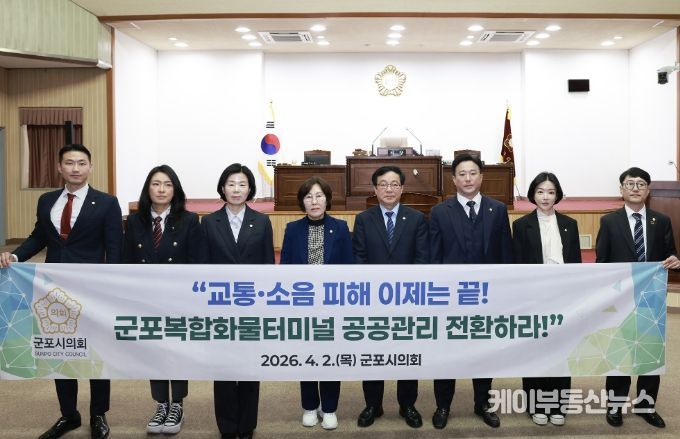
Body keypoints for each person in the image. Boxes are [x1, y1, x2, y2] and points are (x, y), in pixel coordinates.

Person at [0, 144, 122, 439]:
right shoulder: (47, 201)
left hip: (92, 291)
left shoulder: (107, 203)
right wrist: (15, 256)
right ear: (59, 167)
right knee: (60, 350)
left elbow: (115, 248)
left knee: (94, 350)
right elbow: (38, 237)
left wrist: (112, 289)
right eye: (69, 163)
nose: (75, 168)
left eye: (81, 163)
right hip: (53, 290)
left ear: (90, 167)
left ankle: (98, 414)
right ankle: (69, 414)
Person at [429, 153, 513, 430]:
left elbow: (505, 254)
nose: (468, 179)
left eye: (472, 173)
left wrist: (504, 293)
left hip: (487, 298)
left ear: (481, 177)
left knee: (484, 353)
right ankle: (443, 405)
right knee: (447, 354)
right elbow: (434, 258)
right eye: (462, 174)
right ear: (453, 179)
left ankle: (483, 404)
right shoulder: (440, 212)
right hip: (450, 298)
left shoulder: (497, 209)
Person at [123, 164, 206, 434]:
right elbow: (127, 261)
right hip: (146, 300)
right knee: (154, 351)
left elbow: (196, 261)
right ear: (148, 188)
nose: (161, 189)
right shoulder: (134, 222)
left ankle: (177, 404)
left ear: (175, 190)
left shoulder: (189, 220)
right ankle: (161, 404)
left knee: (176, 351)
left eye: (168, 184)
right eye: (156, 184)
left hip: (178, 300)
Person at [596, 166, 680, 429]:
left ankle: (646, 406)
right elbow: (602, 263)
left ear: (648, 190)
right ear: (621, 189)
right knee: (620, 352)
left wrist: (675, 260)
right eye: (630, 183)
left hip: (652, 299)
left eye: (641, 184)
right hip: (620, 299)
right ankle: (615, 406)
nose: (635, 188)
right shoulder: (609, 222)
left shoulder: (661, 221)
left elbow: (671, 253)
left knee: (649, 353)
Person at [352, 165, 429, 429]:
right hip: (373, 301)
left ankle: (407, 404)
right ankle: (373, 404)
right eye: (383, 184)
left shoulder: (416, 218)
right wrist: (372, 291)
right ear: (375, 189)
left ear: (402, 188)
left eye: (394, 184)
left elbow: (422, 259)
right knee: (373, 354)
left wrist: (408, 292)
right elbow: (359, 258)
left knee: (406, 354)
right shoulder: (364, 219)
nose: (389, 189)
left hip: (407, 300)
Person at [202, 163, 275, 439]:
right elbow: (203, 267)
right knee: (223, 368)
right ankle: (227, 425)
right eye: (231, 184)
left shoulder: (262, 222)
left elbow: (267, 266)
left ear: (250, 189)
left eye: (242, 184)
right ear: (223, 187)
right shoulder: (209, 222)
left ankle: (246, 425)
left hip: (251, 307)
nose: (236, 189)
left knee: (248, 367)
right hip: (219, 307)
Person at [280, 176, 353, 431]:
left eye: (319, 196)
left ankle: (330, 407)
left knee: (331, 357)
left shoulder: (340, 228)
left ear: (327, 199)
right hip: (303, 305)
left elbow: (349, 268)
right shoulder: (292, 229)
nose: (314, 201)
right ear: (302, 201)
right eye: (309, 196)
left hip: (333, 305)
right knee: (307, 356)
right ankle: (310, 406)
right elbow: (285, 267)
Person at [512, 172, 581, 427]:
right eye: (540, 191)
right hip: (534, 299)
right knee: (535, 352)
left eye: (551, 192)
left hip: (563, 298)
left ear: (557, 195)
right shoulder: (521, 225)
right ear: (533, 194)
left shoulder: (570, 224)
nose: (545, 197)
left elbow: (575, 263)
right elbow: (518, 266)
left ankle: (559, 404)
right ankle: (536, 405)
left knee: (561, 351)